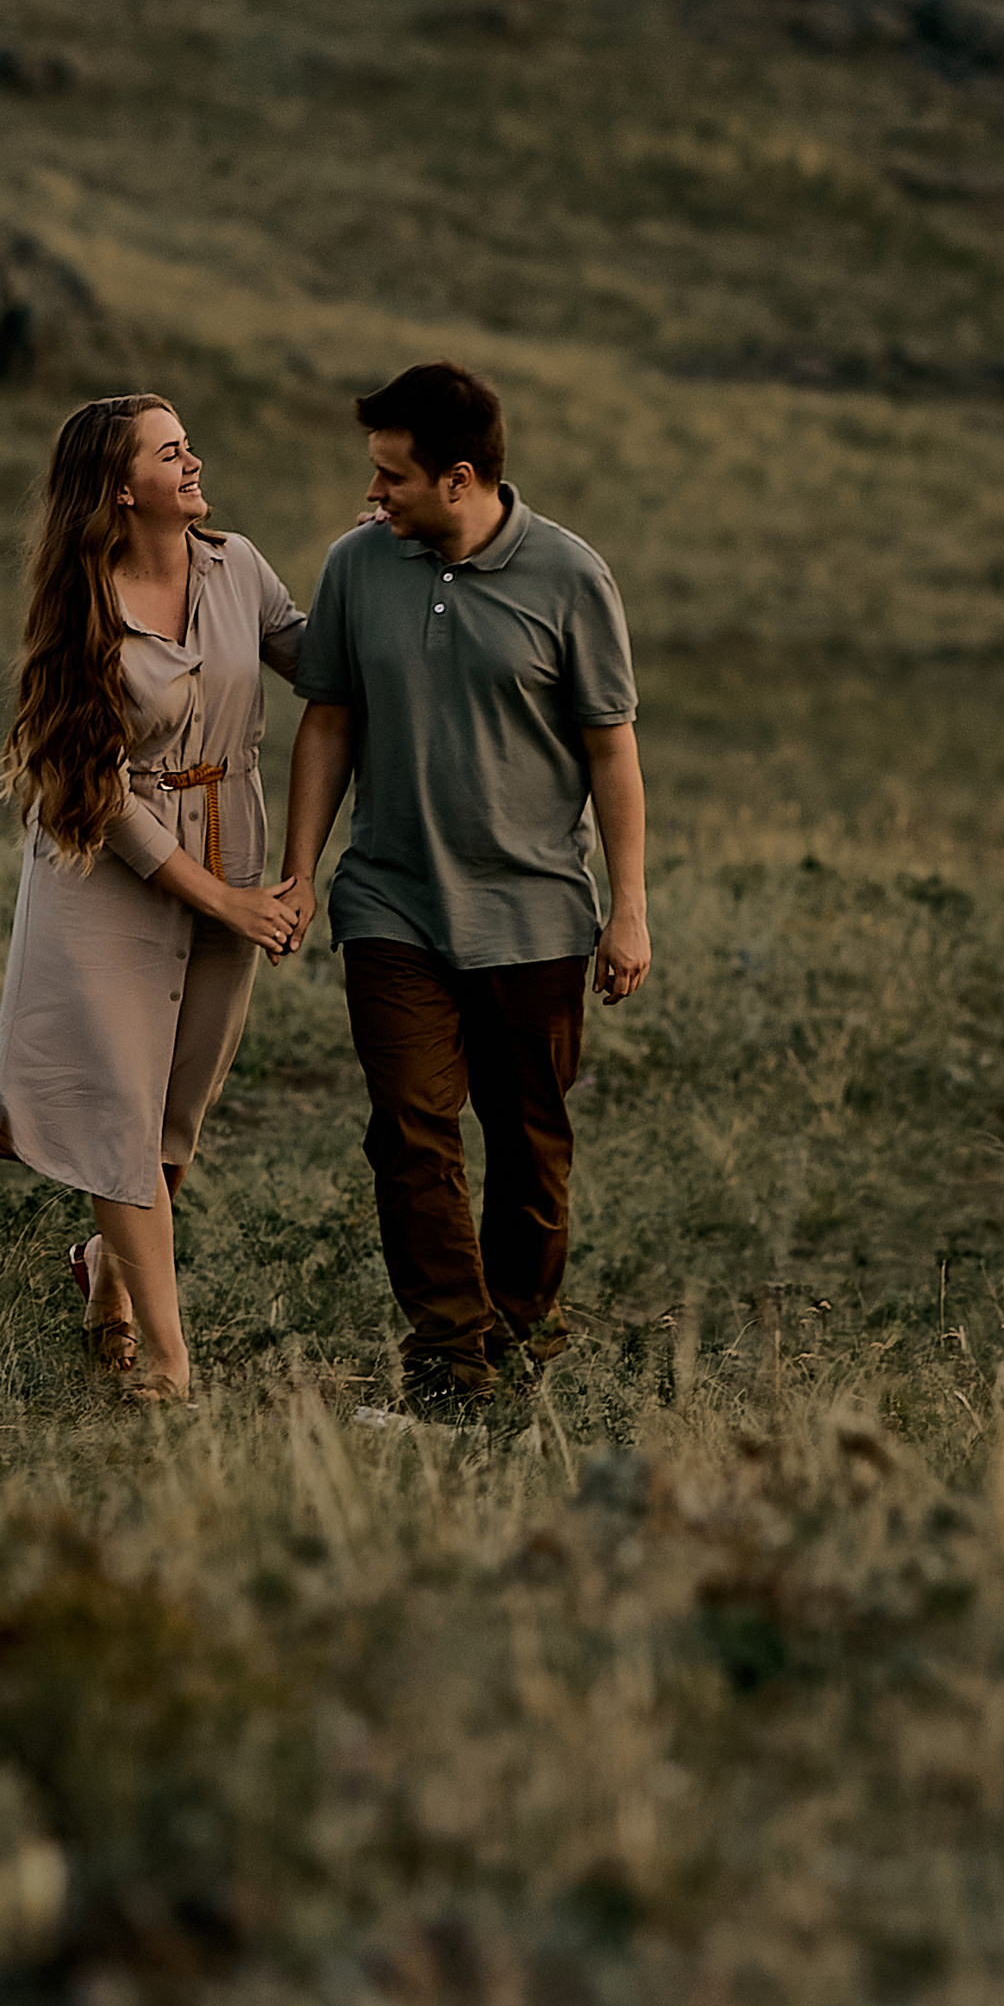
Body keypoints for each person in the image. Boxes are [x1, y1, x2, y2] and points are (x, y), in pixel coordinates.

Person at [280, 361, 649, 1411]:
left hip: (535, 914)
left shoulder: (572, 578)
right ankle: (451, 1352)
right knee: (409, 1129)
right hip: (391, 903)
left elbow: (611, 752)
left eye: (391, 477)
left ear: (459, 478)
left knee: (530, 1141)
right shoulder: (357, 566)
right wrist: (301, 876)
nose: (372, 495)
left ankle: (524, 1322)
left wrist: (627, 909)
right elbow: (329, 720)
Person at [0, 393, 306, 1401]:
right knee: (119, 1110)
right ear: (123, 488)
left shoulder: (237, 565)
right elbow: (96, 795)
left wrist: (387, 565)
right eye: (172, 453)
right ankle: (170, 1363)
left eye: (187, 445)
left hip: (228, 840)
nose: (195, 461)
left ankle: (105, 1268)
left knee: (174, 1117)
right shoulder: (80, 604)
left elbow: (315, 653)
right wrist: (221, 900)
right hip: (105, 873)